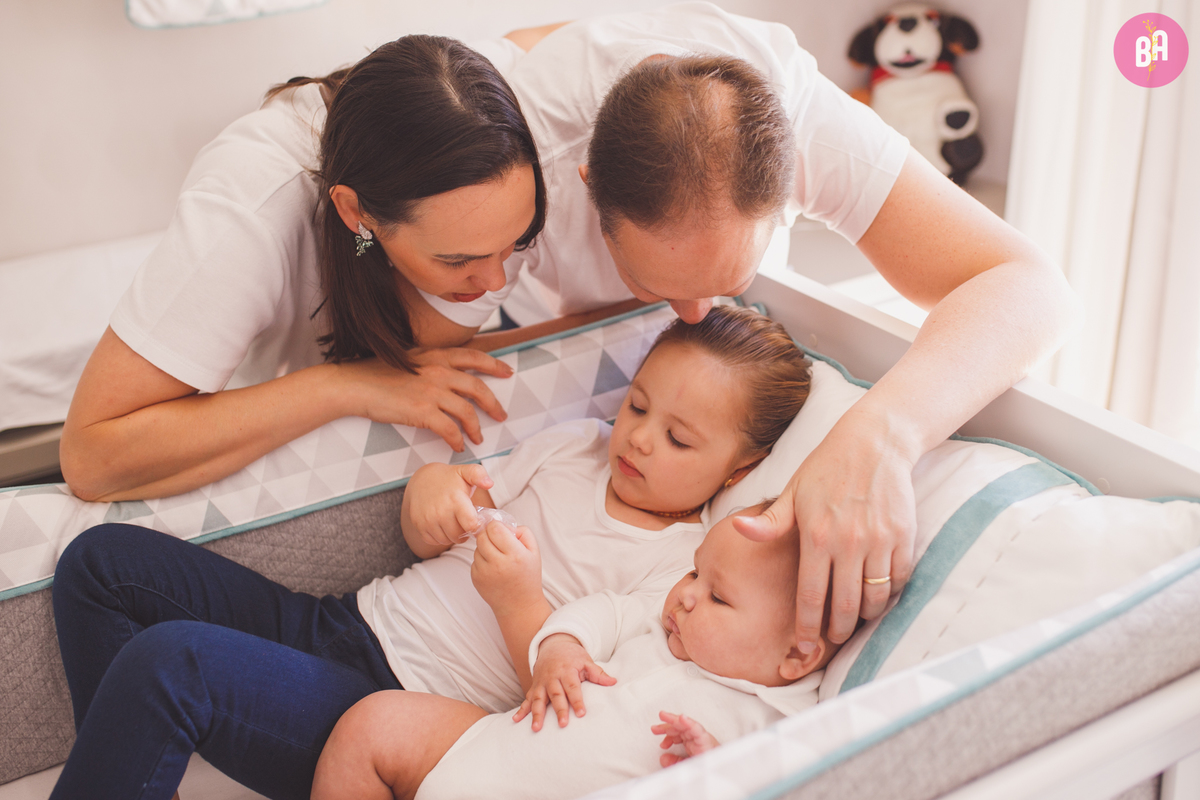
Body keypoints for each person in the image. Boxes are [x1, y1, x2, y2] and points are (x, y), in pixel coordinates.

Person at [426, 4, 1080, 654]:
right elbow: (425, 358)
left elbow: (1033, 286)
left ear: (794, 183)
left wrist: (881, 434)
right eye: (656, 286)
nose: (694, 316)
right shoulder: (516, 167)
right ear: (589, 190)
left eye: (728, 282)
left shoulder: (805, 122)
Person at [50, 306, 811, 800]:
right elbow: (432, 533)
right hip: (344, 623)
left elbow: (565, 707)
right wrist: (432, 495)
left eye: (678, 438)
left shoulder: (679, 567)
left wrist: (520, 602)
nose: (639, 438)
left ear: (739, 470)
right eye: (637, 405)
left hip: (396, 702)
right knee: (102, 563)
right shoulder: (575, 447)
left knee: (169, 664)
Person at [58, 33, 590, 503]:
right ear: (355, 214)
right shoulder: (249, 214)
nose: (495, 282)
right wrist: (343, 387)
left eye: (514, 245)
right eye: (457, 260)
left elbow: (530, 38)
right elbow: (90, 457)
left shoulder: (493, 105)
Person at [310, 506, 839, 800]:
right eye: (695, 571)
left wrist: (715, 769)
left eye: (718, 596)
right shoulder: (663, 625)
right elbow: (603, 611)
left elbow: (780, 785)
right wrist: (561, 645)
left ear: (795, 657)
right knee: (373, 724)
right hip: (483, 748)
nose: (686, 594)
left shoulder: (781, 720)